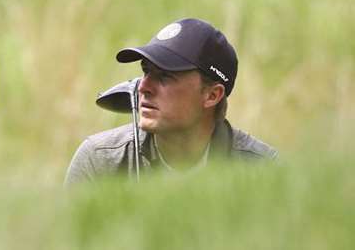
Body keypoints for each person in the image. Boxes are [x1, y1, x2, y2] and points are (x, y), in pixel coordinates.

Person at [65, 18, 277, 185]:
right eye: (146, 71)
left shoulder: (264, 173)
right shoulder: (99, 161)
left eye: (165, 76)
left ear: (212, 95)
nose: (143, 87)